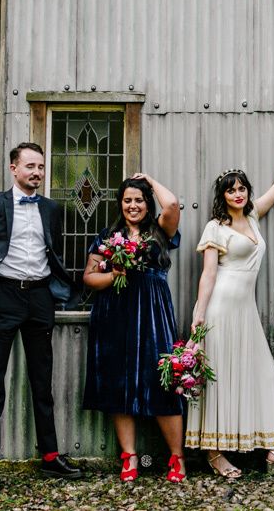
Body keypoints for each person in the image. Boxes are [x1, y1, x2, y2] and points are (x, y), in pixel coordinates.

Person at [0, 142, 81, 495]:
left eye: (40, 166)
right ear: (13, 169)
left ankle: (50, 456)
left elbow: (55, 251)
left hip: (40, 297)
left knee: (43, 381)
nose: (36, 172)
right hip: (5, 296)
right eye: (30, 166)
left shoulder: (52, 208)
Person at [185, 133, 274, 478]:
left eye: (241, 188)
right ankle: (215, 455)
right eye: (231, 190)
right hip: (221, 308)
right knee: (217, 379)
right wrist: (198, 319)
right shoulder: (216, 227)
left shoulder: (255, 216)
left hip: (246, 310)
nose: (238, 193)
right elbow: (208, 276)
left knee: (265, 374)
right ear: (223, 196)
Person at [82, 174, 186, 483]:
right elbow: (89, 277)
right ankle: (129, 457)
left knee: (162, 380)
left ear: (147, 203)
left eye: (138, 200)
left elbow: (172, 204)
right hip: (115, 312)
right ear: (120, 204)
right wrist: (115, 274)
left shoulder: (160, 231)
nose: (132, 205)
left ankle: (176, 457)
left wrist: (151, 180)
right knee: (120, 380)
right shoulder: (108, 235)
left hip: (153, 312)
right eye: (127, 200)